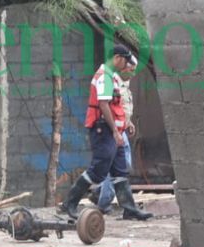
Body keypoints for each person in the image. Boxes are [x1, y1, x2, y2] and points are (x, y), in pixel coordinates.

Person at [61, 45, 153, 221]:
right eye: (125, 61)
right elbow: (104, 105)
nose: (126, 65)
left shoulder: (113, 76)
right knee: (98, 170)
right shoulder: (105, 77)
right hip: (103, 130)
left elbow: (115, 105)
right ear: (118, 57)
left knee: (120, 171)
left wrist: (124, 124)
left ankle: (129, 208)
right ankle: (70, 204)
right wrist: (115, 132)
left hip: (113, 130)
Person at [94, 53, 137, 213]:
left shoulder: (123, 83)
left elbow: (121, 108)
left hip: (120, 129)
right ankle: (105, 202)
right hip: (112, 131)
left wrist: (128, 122)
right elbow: (106, 106)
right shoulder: (110, 80)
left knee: (119, 167)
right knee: (118, 167)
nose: (132, 74)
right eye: (130, 70)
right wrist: (114, 131)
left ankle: (100, 194)